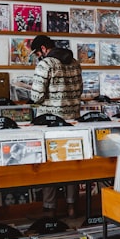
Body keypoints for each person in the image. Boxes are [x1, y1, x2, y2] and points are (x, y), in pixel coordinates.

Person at [30, 34, 83, 218]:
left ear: (43, 49)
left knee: (50, 165)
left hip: (50, 123)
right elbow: (80, 90)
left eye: (37, 53)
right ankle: (72, 206)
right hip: (73, 121)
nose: (38, 56)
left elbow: (36, 97)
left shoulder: (45, 64)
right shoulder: (75, 63)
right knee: (71, 162)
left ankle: (50, 207)